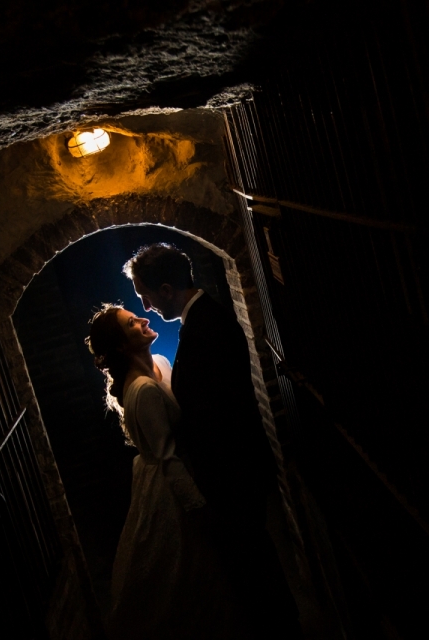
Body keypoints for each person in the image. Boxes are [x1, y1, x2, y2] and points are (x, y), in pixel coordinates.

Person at [124, 243, 303, 638]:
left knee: (255, 567)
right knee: (255, 564)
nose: (146, 305)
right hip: (232, 474)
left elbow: (219, 416)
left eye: (146, 294)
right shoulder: (202, 320)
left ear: (167, 289)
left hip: (232, 476)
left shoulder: (207, 326)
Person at [86, 303, 244, 640]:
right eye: (132, 323)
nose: (143, 318)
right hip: (173, 489)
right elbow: (168, 460)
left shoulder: (158, 363)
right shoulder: (141, 391)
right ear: (122, 346)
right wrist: (199, 508)